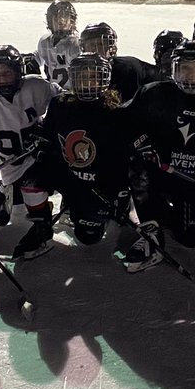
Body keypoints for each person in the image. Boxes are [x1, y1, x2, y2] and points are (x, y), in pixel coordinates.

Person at [121, 39, 195, 272]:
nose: (191, 75)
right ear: (174, 68)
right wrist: (139, 142)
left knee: (190, 238)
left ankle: (164, 215)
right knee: (137, 167)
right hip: (154, 171)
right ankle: (151, 224)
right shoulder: (153, 93)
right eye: (185, 68)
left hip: (191, 180)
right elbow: (125, 123)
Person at [28, 53, 132, 255]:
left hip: (99, 185)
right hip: (71, 179)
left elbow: (121, 159)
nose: (88, 82)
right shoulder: (60, 104)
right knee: (31, 179)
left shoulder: (116, 112)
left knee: (89, 236)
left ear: (105, 79)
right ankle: (41, 224)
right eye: (82, 77)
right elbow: (50, 144)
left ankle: (97, 204)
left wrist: (119, 192)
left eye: (94, 77)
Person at [0, 44, 60, 232]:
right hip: (14, 169)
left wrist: (50, 127)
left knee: (46, 186)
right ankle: (2, 193)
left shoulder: (35, 86)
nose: (1, 78)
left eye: (7, 72)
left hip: (42, 157)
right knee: (17, 214)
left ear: (18, 72)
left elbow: (64, 103)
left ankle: (43, 222)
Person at [79, 21, 155, 103]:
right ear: (83, 47)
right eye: (92, 45)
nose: (97, 49)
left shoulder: (127, 69)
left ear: (111, 47)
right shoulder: (80, 70)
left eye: (101, 44)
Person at [35, 0, 80, 88]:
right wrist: (32, 61)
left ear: (72, 21)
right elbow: (37, 58)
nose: (61, 20)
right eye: (56, 16)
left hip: (72, 94)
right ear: (49, 20)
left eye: (65, 16)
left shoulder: (76, 43)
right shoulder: (44, 41)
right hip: (51, 93)